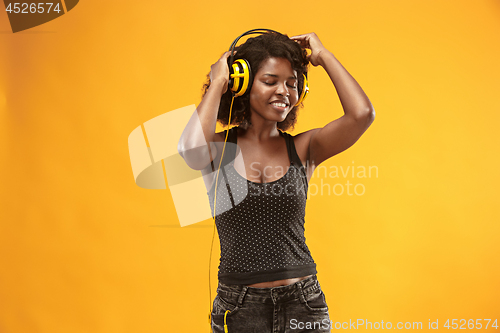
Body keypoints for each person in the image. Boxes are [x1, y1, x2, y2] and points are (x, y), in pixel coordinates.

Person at [178, 31, 375, 333]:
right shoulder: (218, 148)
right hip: (239, 305)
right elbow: (189, 153)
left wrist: (322, 56)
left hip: (303, 302)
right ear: (241, 85)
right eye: (270, 81)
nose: (284, 91)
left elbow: (362, 114)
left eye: (292, 84)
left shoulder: (304, 147)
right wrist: (218, 82)